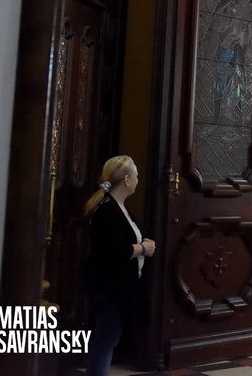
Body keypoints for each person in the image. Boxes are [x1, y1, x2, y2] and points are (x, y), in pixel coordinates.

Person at [83, 155, 156, 376]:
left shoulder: (119, 207)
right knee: (106, 339)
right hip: (110, 288)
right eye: (135, 175)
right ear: (126, 179)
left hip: (121, 287)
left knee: (110, 337)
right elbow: (116, 250)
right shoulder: (107, 210)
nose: (137, 180)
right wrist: (143, 248)